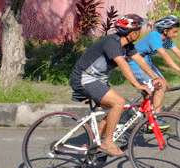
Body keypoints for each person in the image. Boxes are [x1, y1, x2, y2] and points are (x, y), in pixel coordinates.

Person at [70, 14, 163, 157]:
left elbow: (140, 61)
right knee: (118, 103)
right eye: (138, 30)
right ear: (130, 32)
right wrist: (138, 85)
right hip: (84, 78)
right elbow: (123, 65)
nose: (139, 33)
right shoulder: (112, 42)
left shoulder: (127, 46)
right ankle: (107, 143)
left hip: (98, 79)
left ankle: (93, 144)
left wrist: (155, 77)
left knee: (113, 110)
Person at [128, 15, 180, 116]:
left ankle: (149, 111)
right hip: (135, 62)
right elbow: (165, 55)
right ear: (165, 31)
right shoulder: (154, 37)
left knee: (164, 86)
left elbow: (178, 52)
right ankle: (154, 119)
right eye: (174, 32)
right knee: (160, 85)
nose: (176, 35)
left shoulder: (166, 39)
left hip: (146, 61)